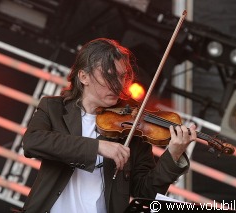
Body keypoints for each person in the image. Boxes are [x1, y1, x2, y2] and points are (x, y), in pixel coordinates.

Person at [21, 38, 197, 213]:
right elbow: (32, 142)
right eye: (109, 75)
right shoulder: (53, 108)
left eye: (122, 77)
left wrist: (173, 155)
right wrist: (97, 147)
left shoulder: (132, 127)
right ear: (84, 76)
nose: (118, 85)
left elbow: (145, 192)